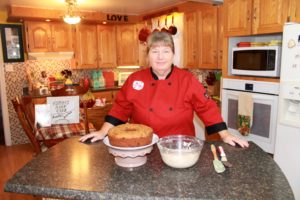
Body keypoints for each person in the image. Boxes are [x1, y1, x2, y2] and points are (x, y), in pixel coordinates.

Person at [80, 31, 249, 148]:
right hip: (143, 145)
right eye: (155, 51)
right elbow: (119, 110)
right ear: (148, 56)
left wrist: (225, 135)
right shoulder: (135, 80)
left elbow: (207, 108)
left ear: (173, 54)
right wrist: (103, 132)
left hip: (180, 145)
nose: (160, 57)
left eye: (165, 51)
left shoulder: (187, 80)